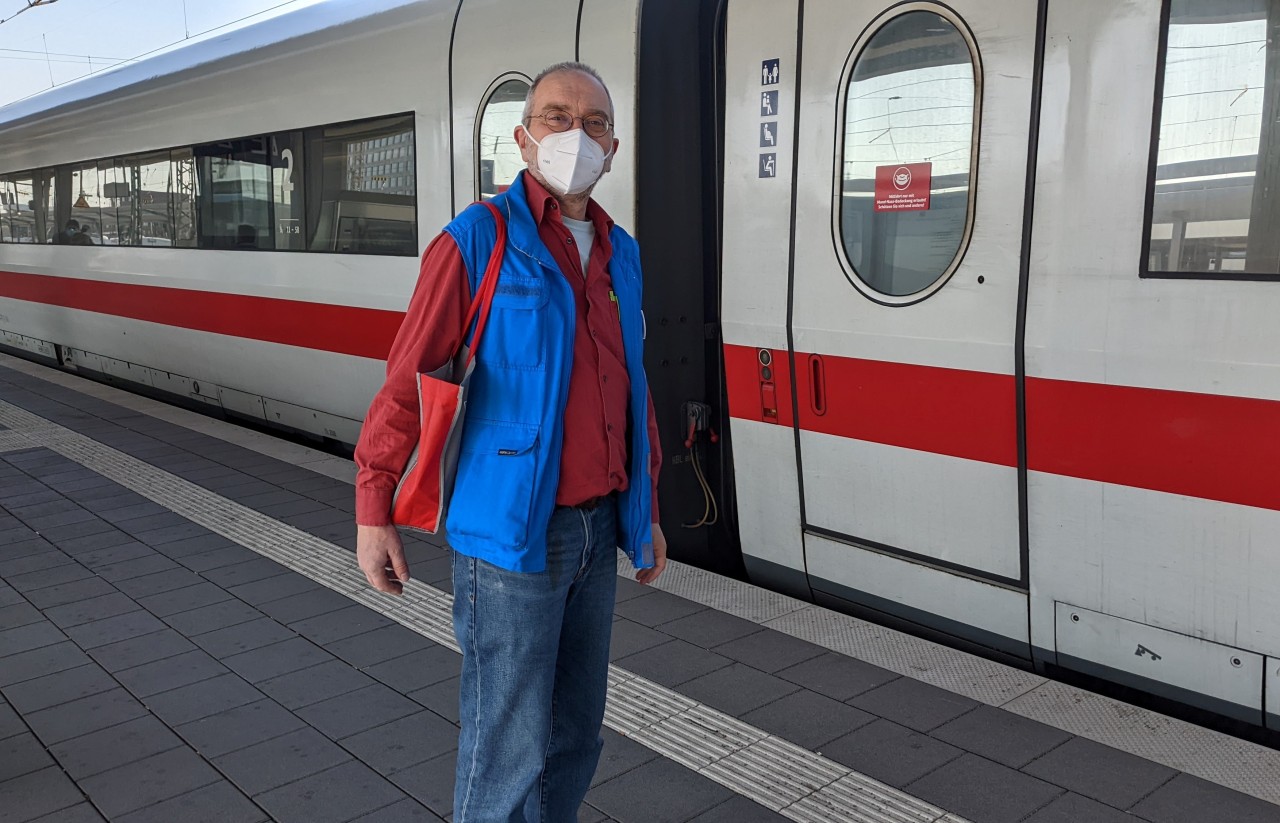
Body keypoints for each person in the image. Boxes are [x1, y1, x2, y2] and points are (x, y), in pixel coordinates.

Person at [353, 62, 667, 823]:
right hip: (512, 542)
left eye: (594, 122)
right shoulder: (476, 240)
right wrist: (374, 507)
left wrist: (645, 507)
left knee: (573, 737)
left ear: (614, 146)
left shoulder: (621, 253)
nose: (575, 133)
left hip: (595, 531)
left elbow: (632, 388)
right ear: (524, 138)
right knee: (507, 747)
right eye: (557, 116)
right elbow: (409, 378)